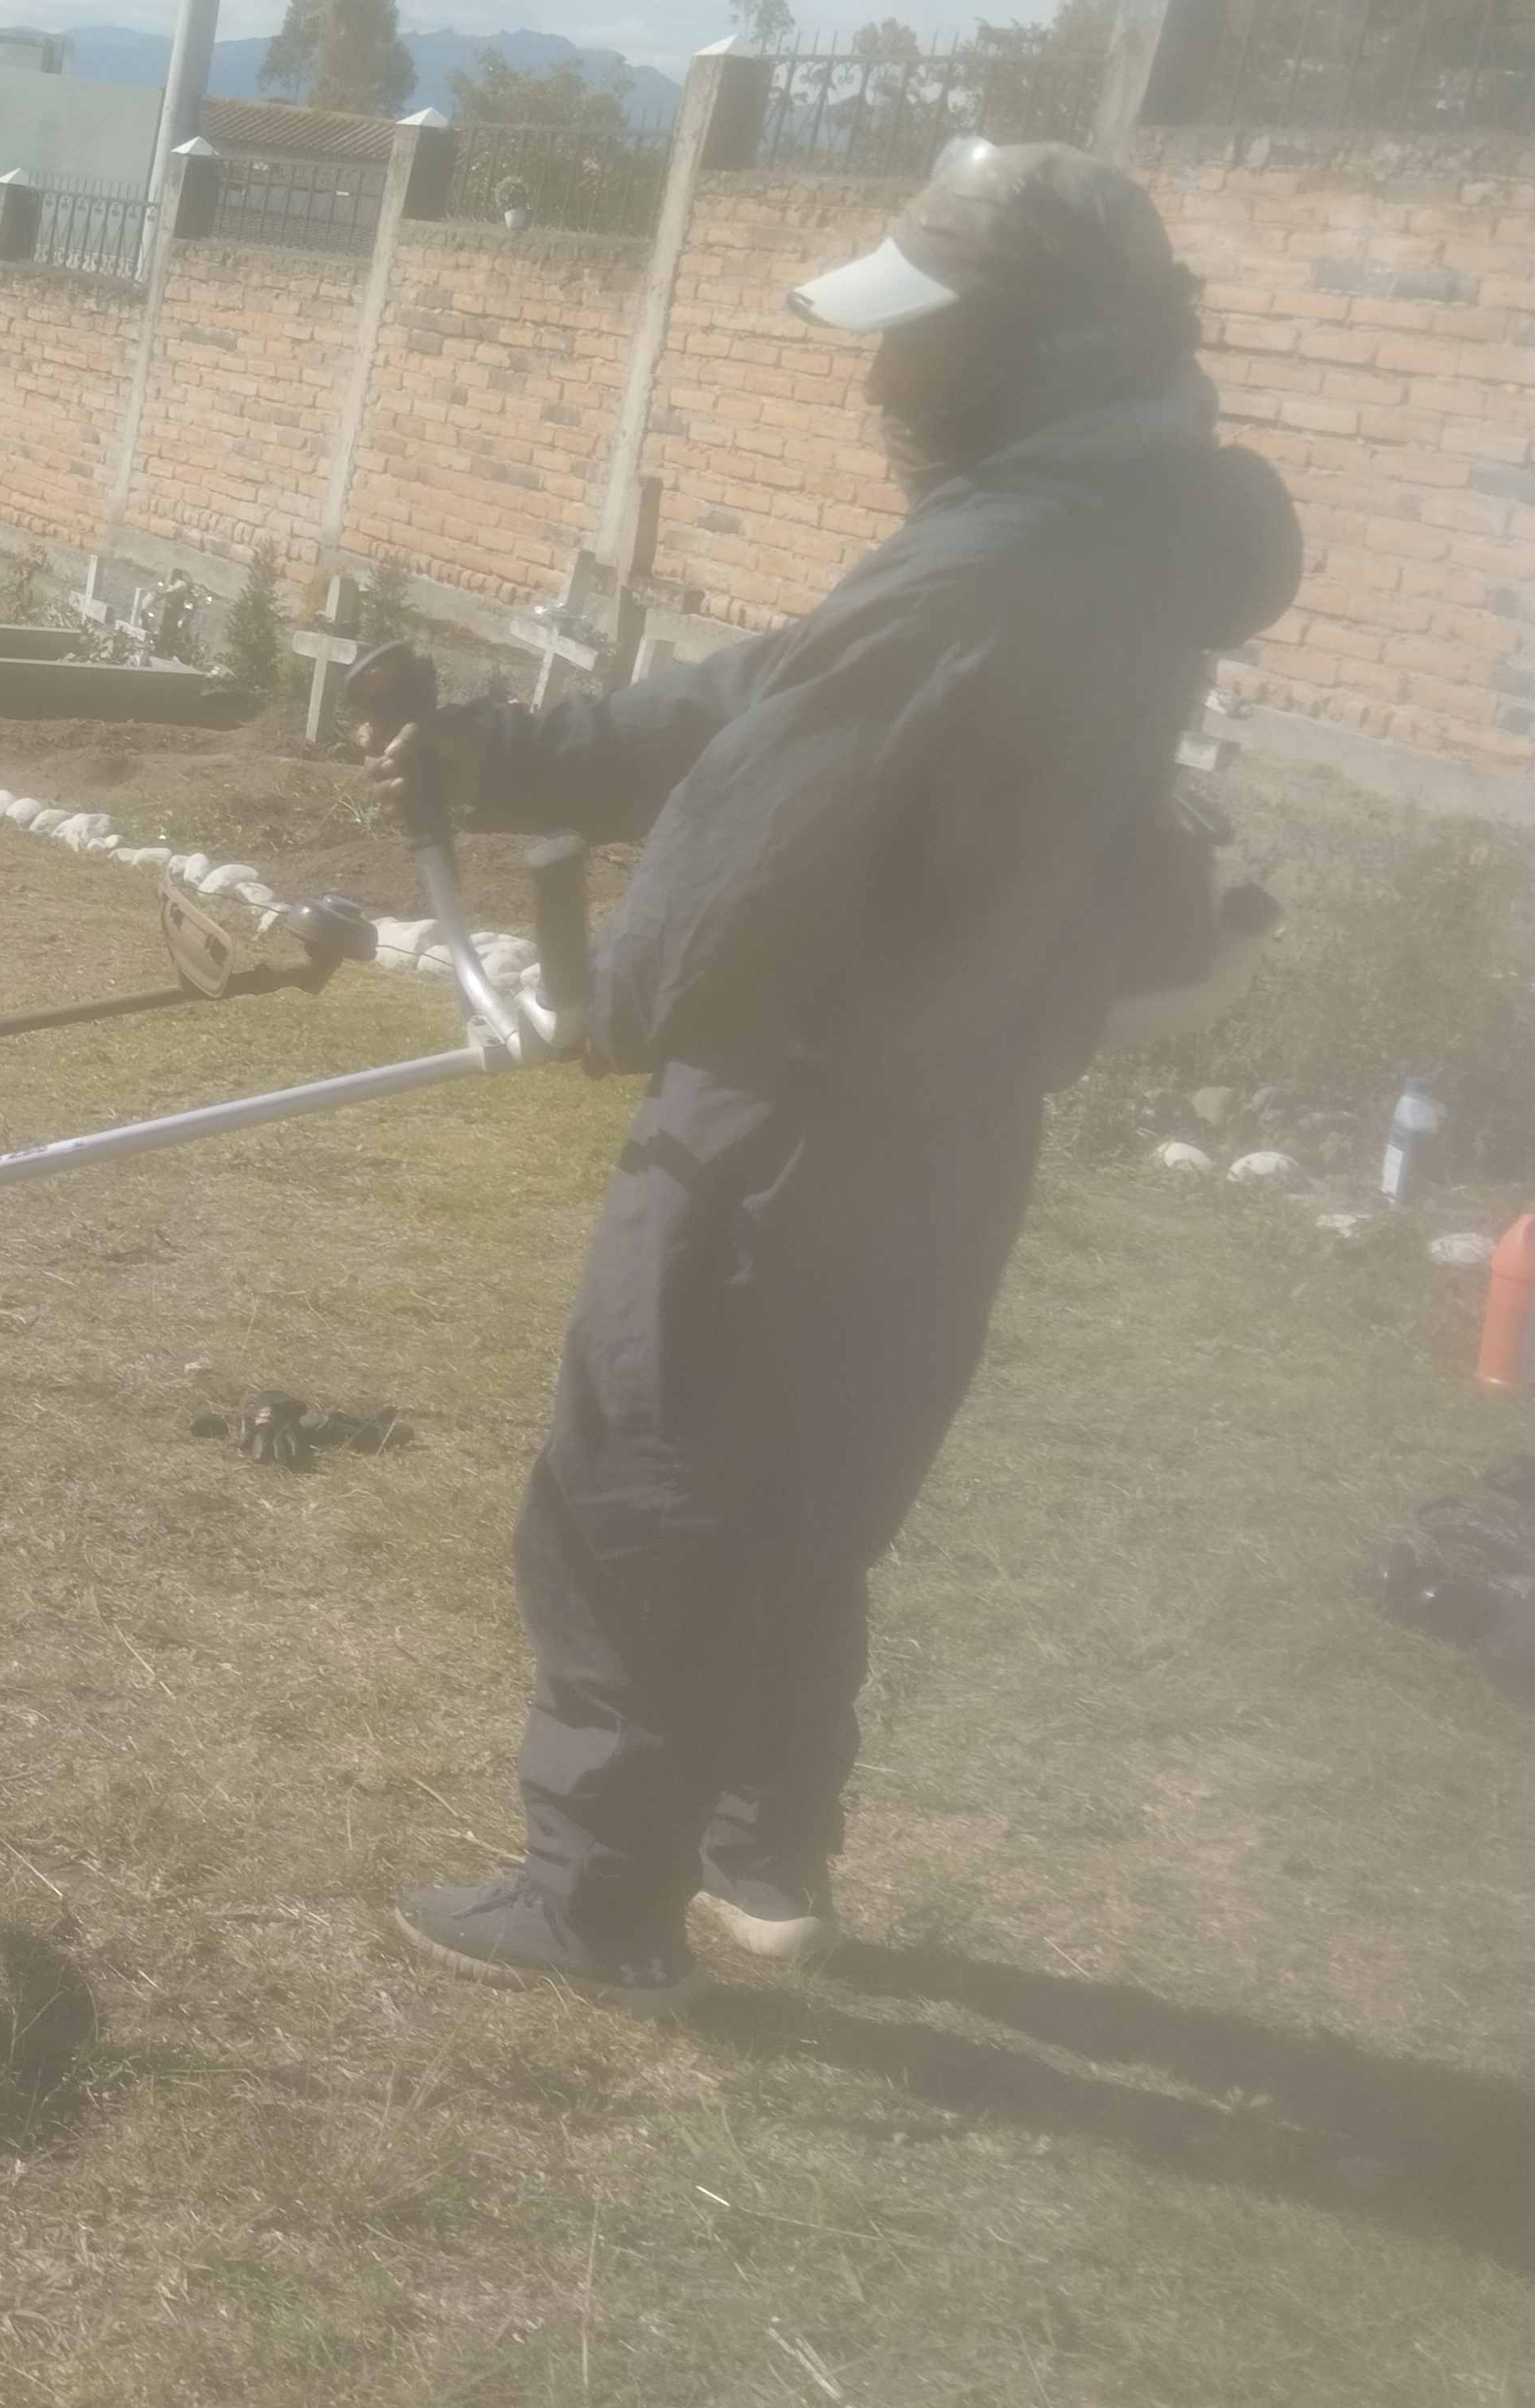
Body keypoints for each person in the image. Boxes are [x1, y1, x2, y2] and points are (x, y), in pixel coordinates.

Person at [347, 140, 1303, 2015]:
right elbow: (770, 698)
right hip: (950, 1120)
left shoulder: (992, 561)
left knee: (644, 1482)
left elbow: (747, 828)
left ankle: (591, 1899)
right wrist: (512, 751)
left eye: (916, 338)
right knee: (809, 1494)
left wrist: (618, 1001)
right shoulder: (1104, 533)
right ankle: (762, 1850)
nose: (879, 380)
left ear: (1027, 346)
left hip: (789, 1117)